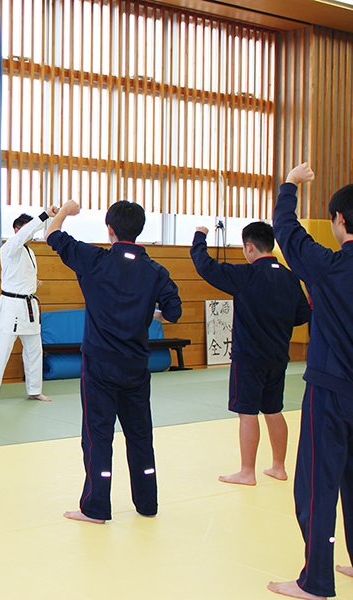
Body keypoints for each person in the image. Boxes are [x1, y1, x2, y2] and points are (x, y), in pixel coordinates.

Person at [45, 200, 181, 524]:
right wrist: (149, 311)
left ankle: (95, 508)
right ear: (140, 229)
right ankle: (147, 504)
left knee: (97, 436)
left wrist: (64, 212)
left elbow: (53, 236)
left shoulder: (94, 260)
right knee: (139, 437)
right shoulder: (156, 271)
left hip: (99, 366)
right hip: (136, 368)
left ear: (110, 230)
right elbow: (173, 313)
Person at [267, 163, 353, 600]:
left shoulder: (328, 268)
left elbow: (286, 230)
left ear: (339, 221)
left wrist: (291, 185)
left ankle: (316, 581)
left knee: (318, 486)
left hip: (332, 390)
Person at [190, 222, 310, 487]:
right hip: (278, 357)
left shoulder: (247, 275)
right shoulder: (290, 277)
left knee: (247, 413)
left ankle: (247, 471)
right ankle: (279, 467)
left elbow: (205, 266)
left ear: (250, 247)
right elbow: (303, 315)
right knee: (274, 409)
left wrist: (200, 236)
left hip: (248, 358)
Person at [0, 209, 56, 407]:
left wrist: (33, 283)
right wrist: (45, 215)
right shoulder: (9, 247)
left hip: (28, 305)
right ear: (16, 230)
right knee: (0, 349)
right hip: (11, 306)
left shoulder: (29, 252)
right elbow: (23, 235)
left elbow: (18, 275)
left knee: (34, 349)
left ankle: (35, 390)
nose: (29, 235)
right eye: (26, 231)